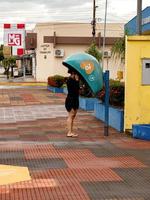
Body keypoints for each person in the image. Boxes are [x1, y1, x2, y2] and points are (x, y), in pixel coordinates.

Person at [65, 69, 80, 137]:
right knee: (71, 115)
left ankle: (71, 131)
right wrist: (77, 80)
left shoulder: (75, 80)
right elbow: (75, 89)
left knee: (73, 116)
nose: (78, 75)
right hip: (70, 100)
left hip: (75, 100)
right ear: (73, 73)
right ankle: (69, 132)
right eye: (76, 74)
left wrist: (77, 80)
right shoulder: (69, 80)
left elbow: (78, 90)